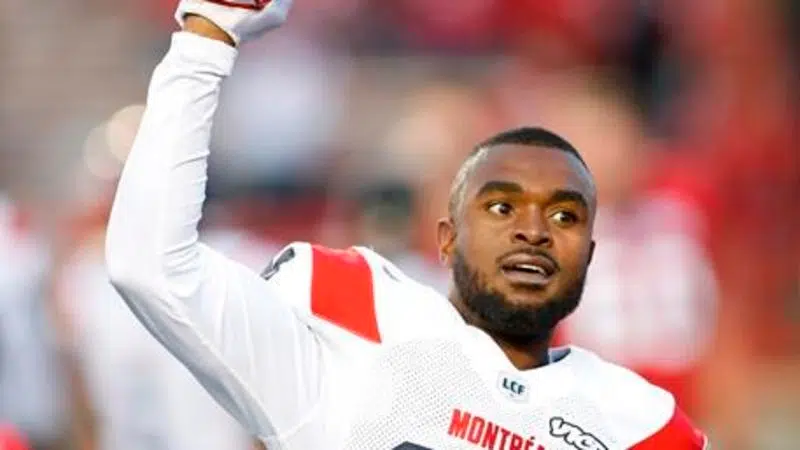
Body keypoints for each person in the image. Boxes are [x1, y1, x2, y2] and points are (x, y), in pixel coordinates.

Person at [105, 1, 709, 448]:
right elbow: (151, 267)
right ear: (447, 237)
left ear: (590, 255)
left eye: (563, 214)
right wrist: (206, 40)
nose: (534, 230)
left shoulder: (642, 423)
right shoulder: (357, 326)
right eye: (501, 207)